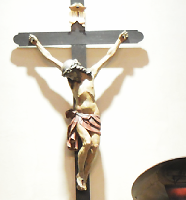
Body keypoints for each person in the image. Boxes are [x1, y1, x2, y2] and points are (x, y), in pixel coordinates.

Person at [29, 32, 129, 191]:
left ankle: (85, 175)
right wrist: (37, 44)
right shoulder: (72, 83)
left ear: (76, 69)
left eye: (70, 73)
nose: (69, 76)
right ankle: (79, 174)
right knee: (87, 142)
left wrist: (119, 41)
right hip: (80, 118)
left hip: (94, 116)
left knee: (94, 146)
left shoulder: (91, 74)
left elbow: (107, 56)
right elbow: (51, 59)